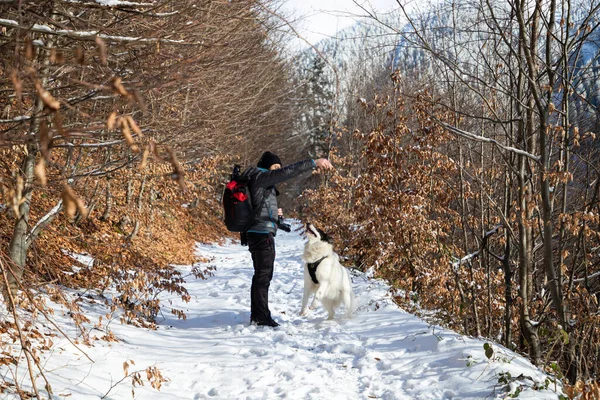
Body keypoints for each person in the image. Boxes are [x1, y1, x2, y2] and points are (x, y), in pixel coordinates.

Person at [243, 151, 333, 327]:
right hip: (261, 236)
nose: (276, 171)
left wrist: (275, 216)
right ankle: (261, 317)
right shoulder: (261, 176)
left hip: (259, 232)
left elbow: (258, 209)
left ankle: (258, 314)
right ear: (266, 166)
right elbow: (288, 172)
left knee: (261, 276)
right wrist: (314, 162)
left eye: (278, 167)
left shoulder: (258, 180)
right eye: (274, 167)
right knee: (263, 276)